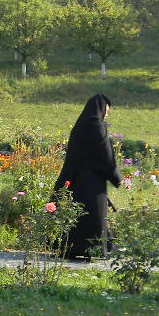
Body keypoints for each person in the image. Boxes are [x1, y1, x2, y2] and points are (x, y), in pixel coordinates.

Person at [55, 94, 122, 259]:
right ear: (101, 107)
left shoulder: (79, 126)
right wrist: (117, 178)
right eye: (107, 110)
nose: (107, 113)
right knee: (94, 216)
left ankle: (73, 248)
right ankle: (93, 249)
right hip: (93, 183)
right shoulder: (97, 126)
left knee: (77, 216)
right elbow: (106, 156)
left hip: (77, 181)